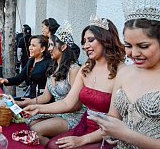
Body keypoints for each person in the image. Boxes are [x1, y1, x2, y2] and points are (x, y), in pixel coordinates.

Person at [24, 16, 125, 148]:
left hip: (106, 133)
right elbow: (67, 102)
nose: (85, 46)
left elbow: (113, 120)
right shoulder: (86, 68)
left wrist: (82, 140)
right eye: (84, 41)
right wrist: (38, 108)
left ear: (106, 40)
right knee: (51, 144)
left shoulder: (121, 71)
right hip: (85, 125)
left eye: (91, 40)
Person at [89, 0, 160, 149]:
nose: (133, 54)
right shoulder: (124, 73)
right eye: (128, 45)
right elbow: (114, 116)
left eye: (143, 46)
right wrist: (108, 129)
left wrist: (126, 135)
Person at [17, 22, 85, 145]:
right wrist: (24, 103)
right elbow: (46, 97)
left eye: (52, 45)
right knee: (29, 122)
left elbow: (76, 105)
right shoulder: (52, 67)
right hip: (59, 111)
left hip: (73, 115)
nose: (49, 49)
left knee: (34, 130)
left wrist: (40, 109)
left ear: (63, 47)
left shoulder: (74, 70)